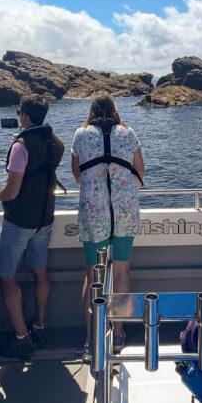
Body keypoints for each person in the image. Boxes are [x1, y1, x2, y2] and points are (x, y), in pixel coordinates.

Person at [0, 95, 64, 360]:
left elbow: (12, 190)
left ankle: (22, 337)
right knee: (40, 271)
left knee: (6, 276)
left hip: (19, 221)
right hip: (45, 218)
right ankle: (40, 325)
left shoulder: (21, 145)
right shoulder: (56, 144)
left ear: (26, 116)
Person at [71, 94, 144, 353]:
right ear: (115, 110)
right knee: (122, 271)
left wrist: (96, 191)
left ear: (91, 111)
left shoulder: (81, 134)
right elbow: (140, 170)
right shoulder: (128, 132)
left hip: (94, 212)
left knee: (93, 275)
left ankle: (92, 339)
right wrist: (124, 192)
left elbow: (77, 174)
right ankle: (119, 334)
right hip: (124, 211)